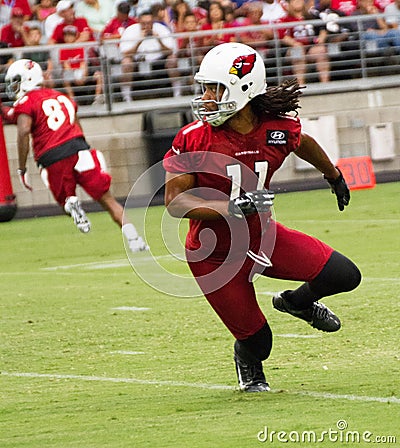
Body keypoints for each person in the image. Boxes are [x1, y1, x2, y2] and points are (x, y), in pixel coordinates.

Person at [163, 43, 361, 392]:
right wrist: (231, 209)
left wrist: (333, 174)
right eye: (205, 88)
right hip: (215, 257)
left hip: (263, 238)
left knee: (345, 275)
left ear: (243, 89)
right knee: (260, 343)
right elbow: (175, 202)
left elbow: (303, 142)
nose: (207, 97)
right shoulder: (193, 138)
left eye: (214, 88)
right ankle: (248, 363)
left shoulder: (277, 127)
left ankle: (297, 303)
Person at [4, 58, 148, 252]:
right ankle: (135, 239)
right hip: (80, 150)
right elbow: (76, 125)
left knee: (65, 202)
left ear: (27, 79)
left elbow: (23, 130)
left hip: (53, 156)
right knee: (108, 200)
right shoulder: (62, 97)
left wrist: (21, 168)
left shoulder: (26, 102)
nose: (14, 86)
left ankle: (71, 202)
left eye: (16, 81)